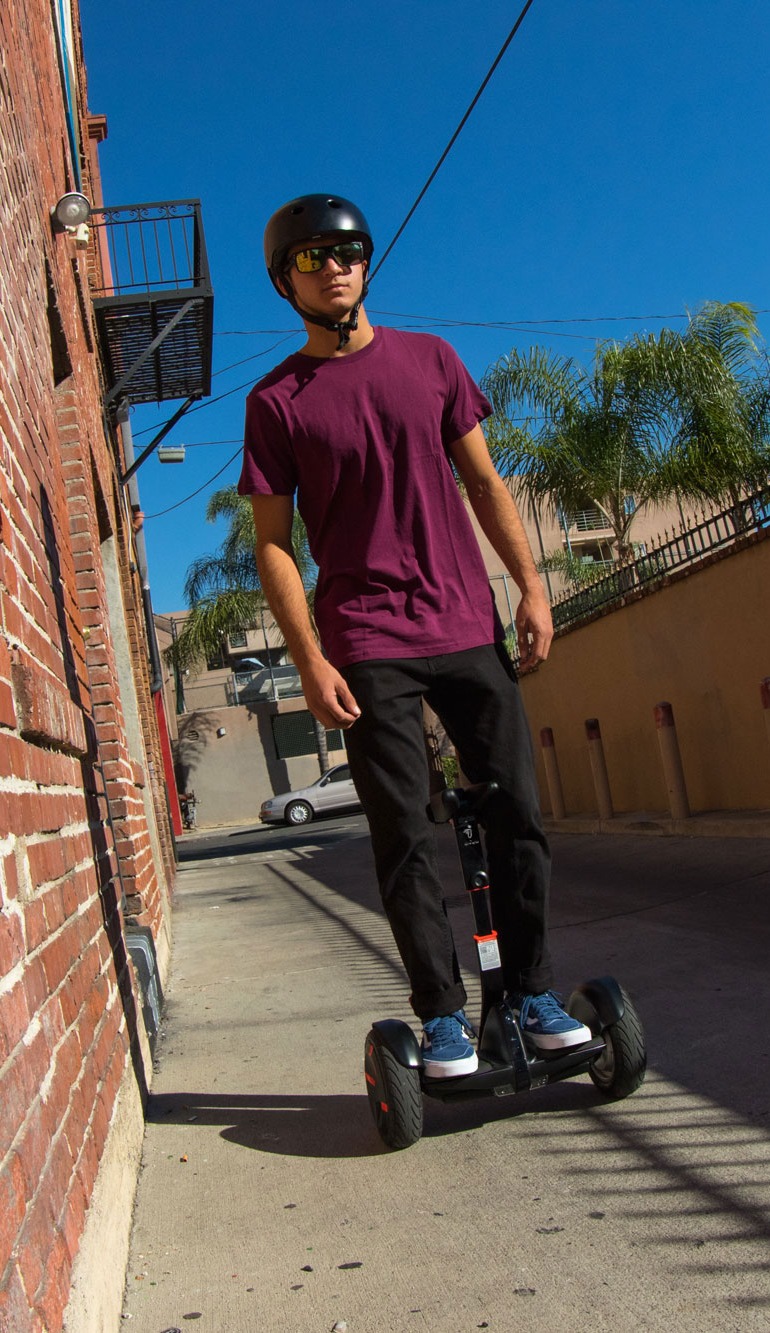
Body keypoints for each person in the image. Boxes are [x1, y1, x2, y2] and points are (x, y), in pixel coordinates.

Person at [239, 194, 589, 1078]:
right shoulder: (275, 402)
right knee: (401, 833)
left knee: (519, 814)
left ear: (366, 263)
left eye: (346, 250)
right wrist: (309, 659)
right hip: (366, 643)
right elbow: (274, 543)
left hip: (466, 621)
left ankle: (532, 993)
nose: (332, 267)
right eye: (311, 257)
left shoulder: (432, 360)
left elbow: (486, 483)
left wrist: (531, 588)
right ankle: (441, 1015)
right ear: (285, 281)